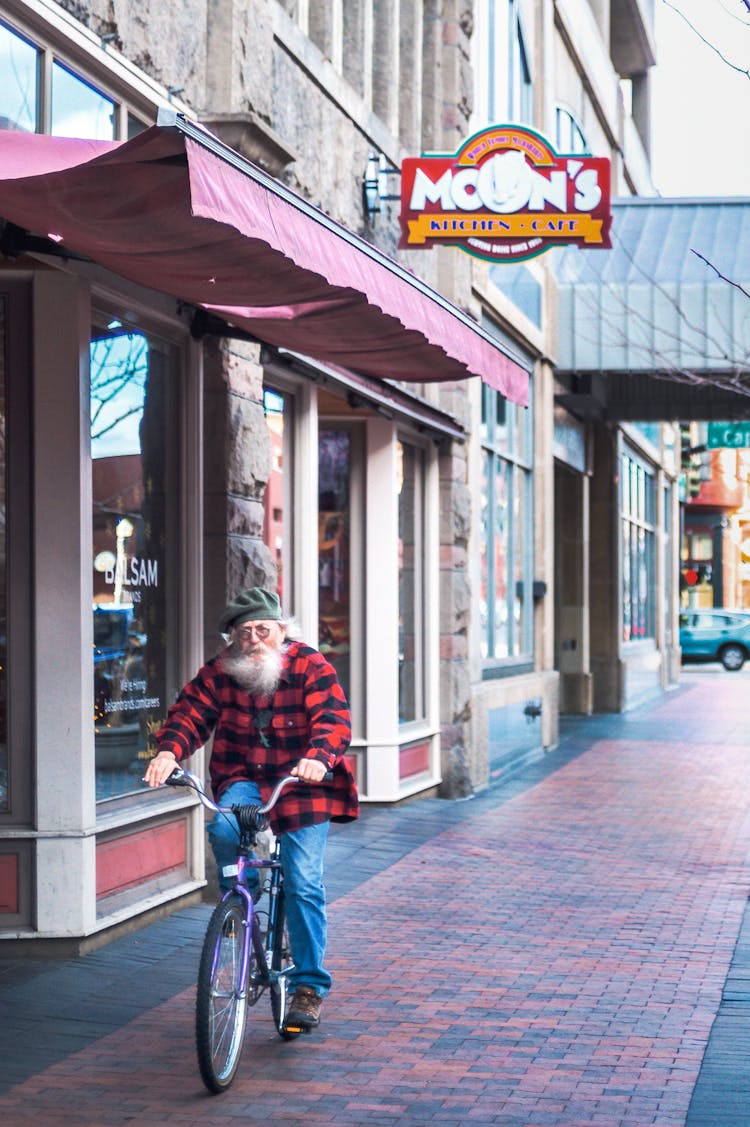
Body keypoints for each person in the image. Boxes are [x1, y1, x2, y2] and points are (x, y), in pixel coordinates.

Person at [144, 587, 358, 1030]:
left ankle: (308, 986)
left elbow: (333, 719)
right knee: (223, 831)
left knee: (302, 882)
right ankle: (242, 903)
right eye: (245, 633)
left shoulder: (309, 664)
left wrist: (319, 756)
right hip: (242, 775)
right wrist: (169, 752)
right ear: (233, 639)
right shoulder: (222, 671)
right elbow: (190, 713)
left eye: (264, 629)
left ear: (282, 630)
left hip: (301, 781)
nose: (255, 640)